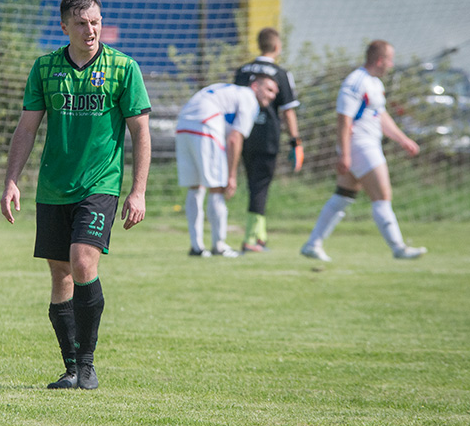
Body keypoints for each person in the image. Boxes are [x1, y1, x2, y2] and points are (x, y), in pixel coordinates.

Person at [0, 0, 152, 390]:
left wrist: (137, 191)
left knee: (84, 262)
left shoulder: (123, 68)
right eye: (82, 23)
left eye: (96, 22)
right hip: (53, 187)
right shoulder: (45, 67)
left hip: (99, 184)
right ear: (64, 26)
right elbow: (27, 128)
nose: (91, 30)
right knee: (61, 274)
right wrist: (11, 180)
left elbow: (141, 133)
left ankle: (87, 364)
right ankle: (70, 368)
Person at [300, 40, 427, 262]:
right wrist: (345, 154)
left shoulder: (375, 83)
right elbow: (344, 119)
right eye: (390, 59)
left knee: (343, 196)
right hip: (360, 145)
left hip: (366, 144)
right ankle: (398, 248)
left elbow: (380, 115)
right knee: (382, 195)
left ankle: (312, 244)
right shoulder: (356, 82)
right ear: (380, 60)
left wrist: (402, 139)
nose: (391, 64)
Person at [176, 76, 279, 258]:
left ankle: (196, 247)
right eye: (269, 90)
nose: (272, 96)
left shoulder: (229, 91)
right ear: (255, 86)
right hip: (205, 124)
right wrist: (231, 176)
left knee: (196, 187)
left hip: (184, 124)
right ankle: (219, 246)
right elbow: (234, 138)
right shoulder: (249, 98)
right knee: (217, 187)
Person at [234, 28, 303, 253]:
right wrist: (295, 142)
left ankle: (260, 237)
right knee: (260, 188)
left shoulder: (242, 71)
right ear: (277, 47)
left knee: (255, 185)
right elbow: (288, 111)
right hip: (267, 138)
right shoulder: (281, 73)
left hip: (243, 135)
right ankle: (250, 240)